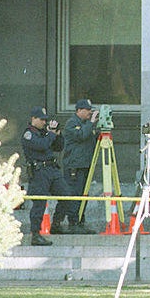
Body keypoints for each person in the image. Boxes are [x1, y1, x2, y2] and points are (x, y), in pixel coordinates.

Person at [20, 106, 75, 246]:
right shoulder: (29, 134)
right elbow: (42, 146)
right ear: (33, 119)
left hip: (52, 169)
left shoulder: (45, 133)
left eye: (45, 120)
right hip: (39, 171)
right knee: (39, 203)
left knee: (66, 195)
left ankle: (56, 223)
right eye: (42, 120)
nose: (44, 123)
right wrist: (50, 134)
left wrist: (58, 134)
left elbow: (58, 147)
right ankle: (36, 234)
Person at [55, 98, 99, 234]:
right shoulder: (72, 123)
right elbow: (81, 136)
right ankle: (69, 222)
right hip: (74, 166)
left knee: (82, 195)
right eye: (87, 110)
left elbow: (90, 139)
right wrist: (91, 123)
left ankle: (79, 221)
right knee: (72, 194)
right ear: (79, 110)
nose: (90, 113)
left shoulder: (86, 124)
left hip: (84, 165)